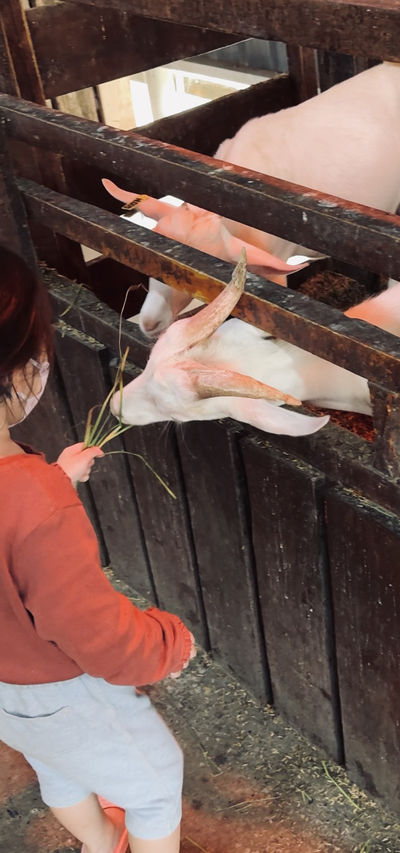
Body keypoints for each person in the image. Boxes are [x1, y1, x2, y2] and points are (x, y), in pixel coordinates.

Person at [0, 244, 195, 853]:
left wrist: (57, 476)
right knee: (157, 784)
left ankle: (101, 841)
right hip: (61, 687)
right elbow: (95, 634)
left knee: (58, 767)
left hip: (6, 687)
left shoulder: (33, 492)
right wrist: (166, 644)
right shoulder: (36, 503)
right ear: (23, 369)